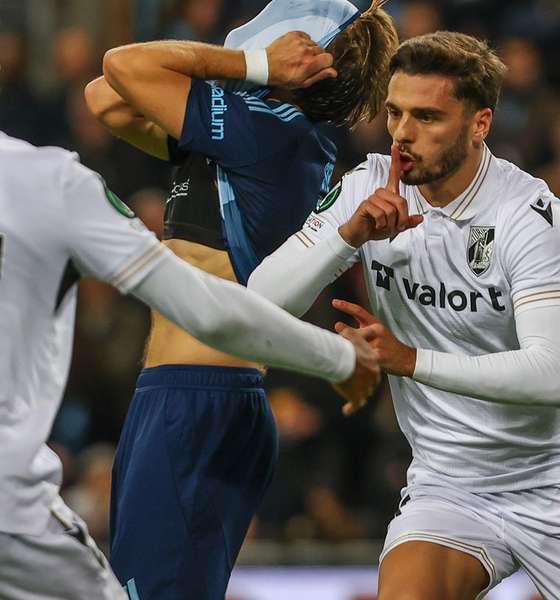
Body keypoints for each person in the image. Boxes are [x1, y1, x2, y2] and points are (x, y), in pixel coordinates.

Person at [250, 31, 560, 600]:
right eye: (395, 112)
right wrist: (346, 238)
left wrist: (411, 361)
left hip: (558, 479)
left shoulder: (527, 213)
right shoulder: (368, 188)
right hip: (450, 485)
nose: (403, 133)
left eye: (427, 117)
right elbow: (261, 300)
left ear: (480, 124)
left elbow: (555, 376)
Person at [82, 1, 398, 597]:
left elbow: (121, 63)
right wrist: (251, 71)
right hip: (187, 397)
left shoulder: (266, 133)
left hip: (196, 403)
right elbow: (105, 96)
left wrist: (253, 65)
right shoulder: (256, 135)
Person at [0, 131, 379, 600]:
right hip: (11, 506)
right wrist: (341, 358)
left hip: (190, 400)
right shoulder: (45, 180)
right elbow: (204, 310)